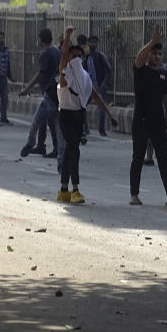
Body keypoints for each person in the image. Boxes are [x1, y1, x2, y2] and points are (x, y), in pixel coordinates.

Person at [55, 27, 116, 205]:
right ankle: (75, 189)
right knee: (74, 150)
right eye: (72, 56)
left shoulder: (85, 77)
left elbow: (95, 96)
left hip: (78, 116)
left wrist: (110, 114)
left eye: (78, 56)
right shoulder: (65, 74)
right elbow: (64, 55)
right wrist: (67, 37)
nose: (75, 59)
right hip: (66, 115)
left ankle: (63, 190)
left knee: (70, 150)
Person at [129, 25, 167, 206]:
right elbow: (139, 58)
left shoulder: (164, 75)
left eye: (159, 54)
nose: (157, 57)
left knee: (163, 157)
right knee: (138, 156)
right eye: (154, 53)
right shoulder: (140, 70)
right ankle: (134, 195)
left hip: (158, 122)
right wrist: (152, 41)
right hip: (141, 120)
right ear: (148, 55)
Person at [19, 28, 61, 158]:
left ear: (40, 40)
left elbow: (40, 73)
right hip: (57, 91)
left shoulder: (45, 54)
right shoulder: (57, 52)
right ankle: (46, 147)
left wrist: (27, 88)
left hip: (49, 92)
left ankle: (33, 143)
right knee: (50, 121)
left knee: (39, 120)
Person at [85, 35, 113, 137]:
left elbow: (108, 71)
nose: (92, 44)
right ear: (88, 43)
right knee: (82, 106)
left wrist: (104, 84)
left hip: (100, 86)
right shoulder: (87, 57)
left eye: (94, 42)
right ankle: (85, 129)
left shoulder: (100, 56)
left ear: (97, 44)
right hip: (89, 87)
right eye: (90, 42)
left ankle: (101, 130)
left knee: (101, 108)